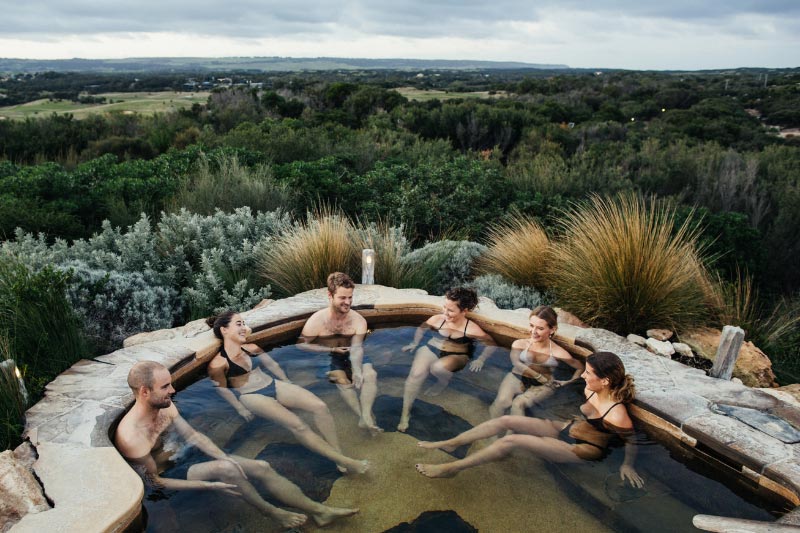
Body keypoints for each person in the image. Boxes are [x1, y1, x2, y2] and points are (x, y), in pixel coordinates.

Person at [114, 361, 358, 529]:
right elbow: (155, 483)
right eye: (165, 386)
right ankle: (272, 512)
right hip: (170, 474)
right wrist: (209, 485)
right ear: (144, 392)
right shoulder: (131, 437)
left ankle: (319, 511)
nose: (173, 389)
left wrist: (225, 456)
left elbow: (195, 437)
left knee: (261, 466)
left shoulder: (165, 407)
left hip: (187, 456)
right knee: (227, 470)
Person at [414, 351, 644, 489]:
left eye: (588, 373)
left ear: (605, 381)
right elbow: (584, 409)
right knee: (505, 421)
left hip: (584, 448)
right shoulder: (590, 390)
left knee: (511, 441)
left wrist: (627, 464)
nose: (583, 375)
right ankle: (453, 442)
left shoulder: (616, 413)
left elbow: (631, 440)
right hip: (569, 428)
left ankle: (453, 468)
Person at [206, 311, 369, 474]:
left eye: (243, 323)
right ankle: (347, 462)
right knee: (298, 426)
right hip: (250, 396)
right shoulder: (218, 364)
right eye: (239, 324)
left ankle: (337, 453)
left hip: (273, 384)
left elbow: (272, 365)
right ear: (224, 330)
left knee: (320, 406)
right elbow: (222, 388)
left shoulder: (252, 348)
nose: (244, 327)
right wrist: (240, 408)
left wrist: (286, 381)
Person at [398, 287, 496, 432]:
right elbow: (422, 328)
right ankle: (405, 414)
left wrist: (481, 359)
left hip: (457, 355)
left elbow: (491, 344)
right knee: (415, 375)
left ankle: (442, 382)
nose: (445, 312)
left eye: (450, 310)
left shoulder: (471, 329)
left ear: (464, 311)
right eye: (444, 307)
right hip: (432, 348)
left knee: (437, 368)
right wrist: (414, 343)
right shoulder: (437, 319)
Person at [298, 272, 382, 435]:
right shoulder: (317, 320)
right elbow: (301, 345)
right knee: (341, 380)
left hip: (351, 351)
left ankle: (366, 416)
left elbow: (357, 348)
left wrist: (356, 370)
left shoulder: (358, 321)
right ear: (330, 295)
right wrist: (330, 349)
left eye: (350, 297)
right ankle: (362, 416)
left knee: (370, 374)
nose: (348, 302)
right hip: (327, 354)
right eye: (343, 298)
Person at [489, 305, 584, 419]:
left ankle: (513, 430)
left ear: (552, 329)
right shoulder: (520, 344)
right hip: (518, 375)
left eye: (540, 328)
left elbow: (580, 367)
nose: (533, 332)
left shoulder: (558, 352)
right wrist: (538, 376)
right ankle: (492, 429)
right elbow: (516, 363)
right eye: (531, 325)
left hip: (544, 384)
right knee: (502, 401)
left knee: (518, 404)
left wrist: (568, 382)